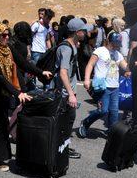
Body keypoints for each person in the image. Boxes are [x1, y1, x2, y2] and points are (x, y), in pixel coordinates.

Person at [0, 23, 40, 170]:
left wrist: (41, 73)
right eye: (3, 35)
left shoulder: (7, 48)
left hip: (3, 93)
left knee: (2, 125)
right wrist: (17, 93)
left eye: (8, 34)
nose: (7, 37)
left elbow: (23, 63)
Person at [79, 32, 130, 138]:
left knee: (114, 111)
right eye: (114, 43)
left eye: (118, 44)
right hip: (103, 86)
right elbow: (90, 65)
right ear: (108, 41)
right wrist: (87, 79)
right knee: (103, 110)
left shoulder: (118, 54)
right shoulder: (100, 51)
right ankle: (85, 123)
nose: (116, 46)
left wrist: (132, 66)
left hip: (115, 86)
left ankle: (112, 133)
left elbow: (125, 66)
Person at [49, 18, 85, 159]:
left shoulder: (72, 45)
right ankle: (62, 147)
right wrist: (70, 94)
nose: (86, 32)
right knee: (66, 121)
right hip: (65, 92)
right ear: (77, 32)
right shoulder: (66, 48)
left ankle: (63, 146)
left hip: (68, 90)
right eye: (83, 30)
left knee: (67, 121)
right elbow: (63, 72)